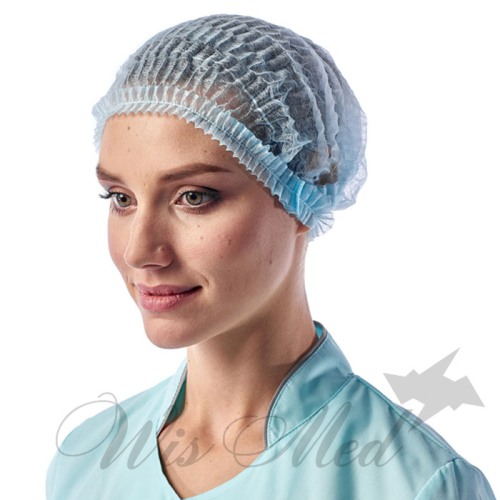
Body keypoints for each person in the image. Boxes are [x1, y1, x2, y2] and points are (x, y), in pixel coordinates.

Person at [46, 14, 495, 499]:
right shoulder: (85, 462)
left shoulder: (415, 484)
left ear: (307, 185)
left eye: (193, 197)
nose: (139, 251)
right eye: (120, 198)